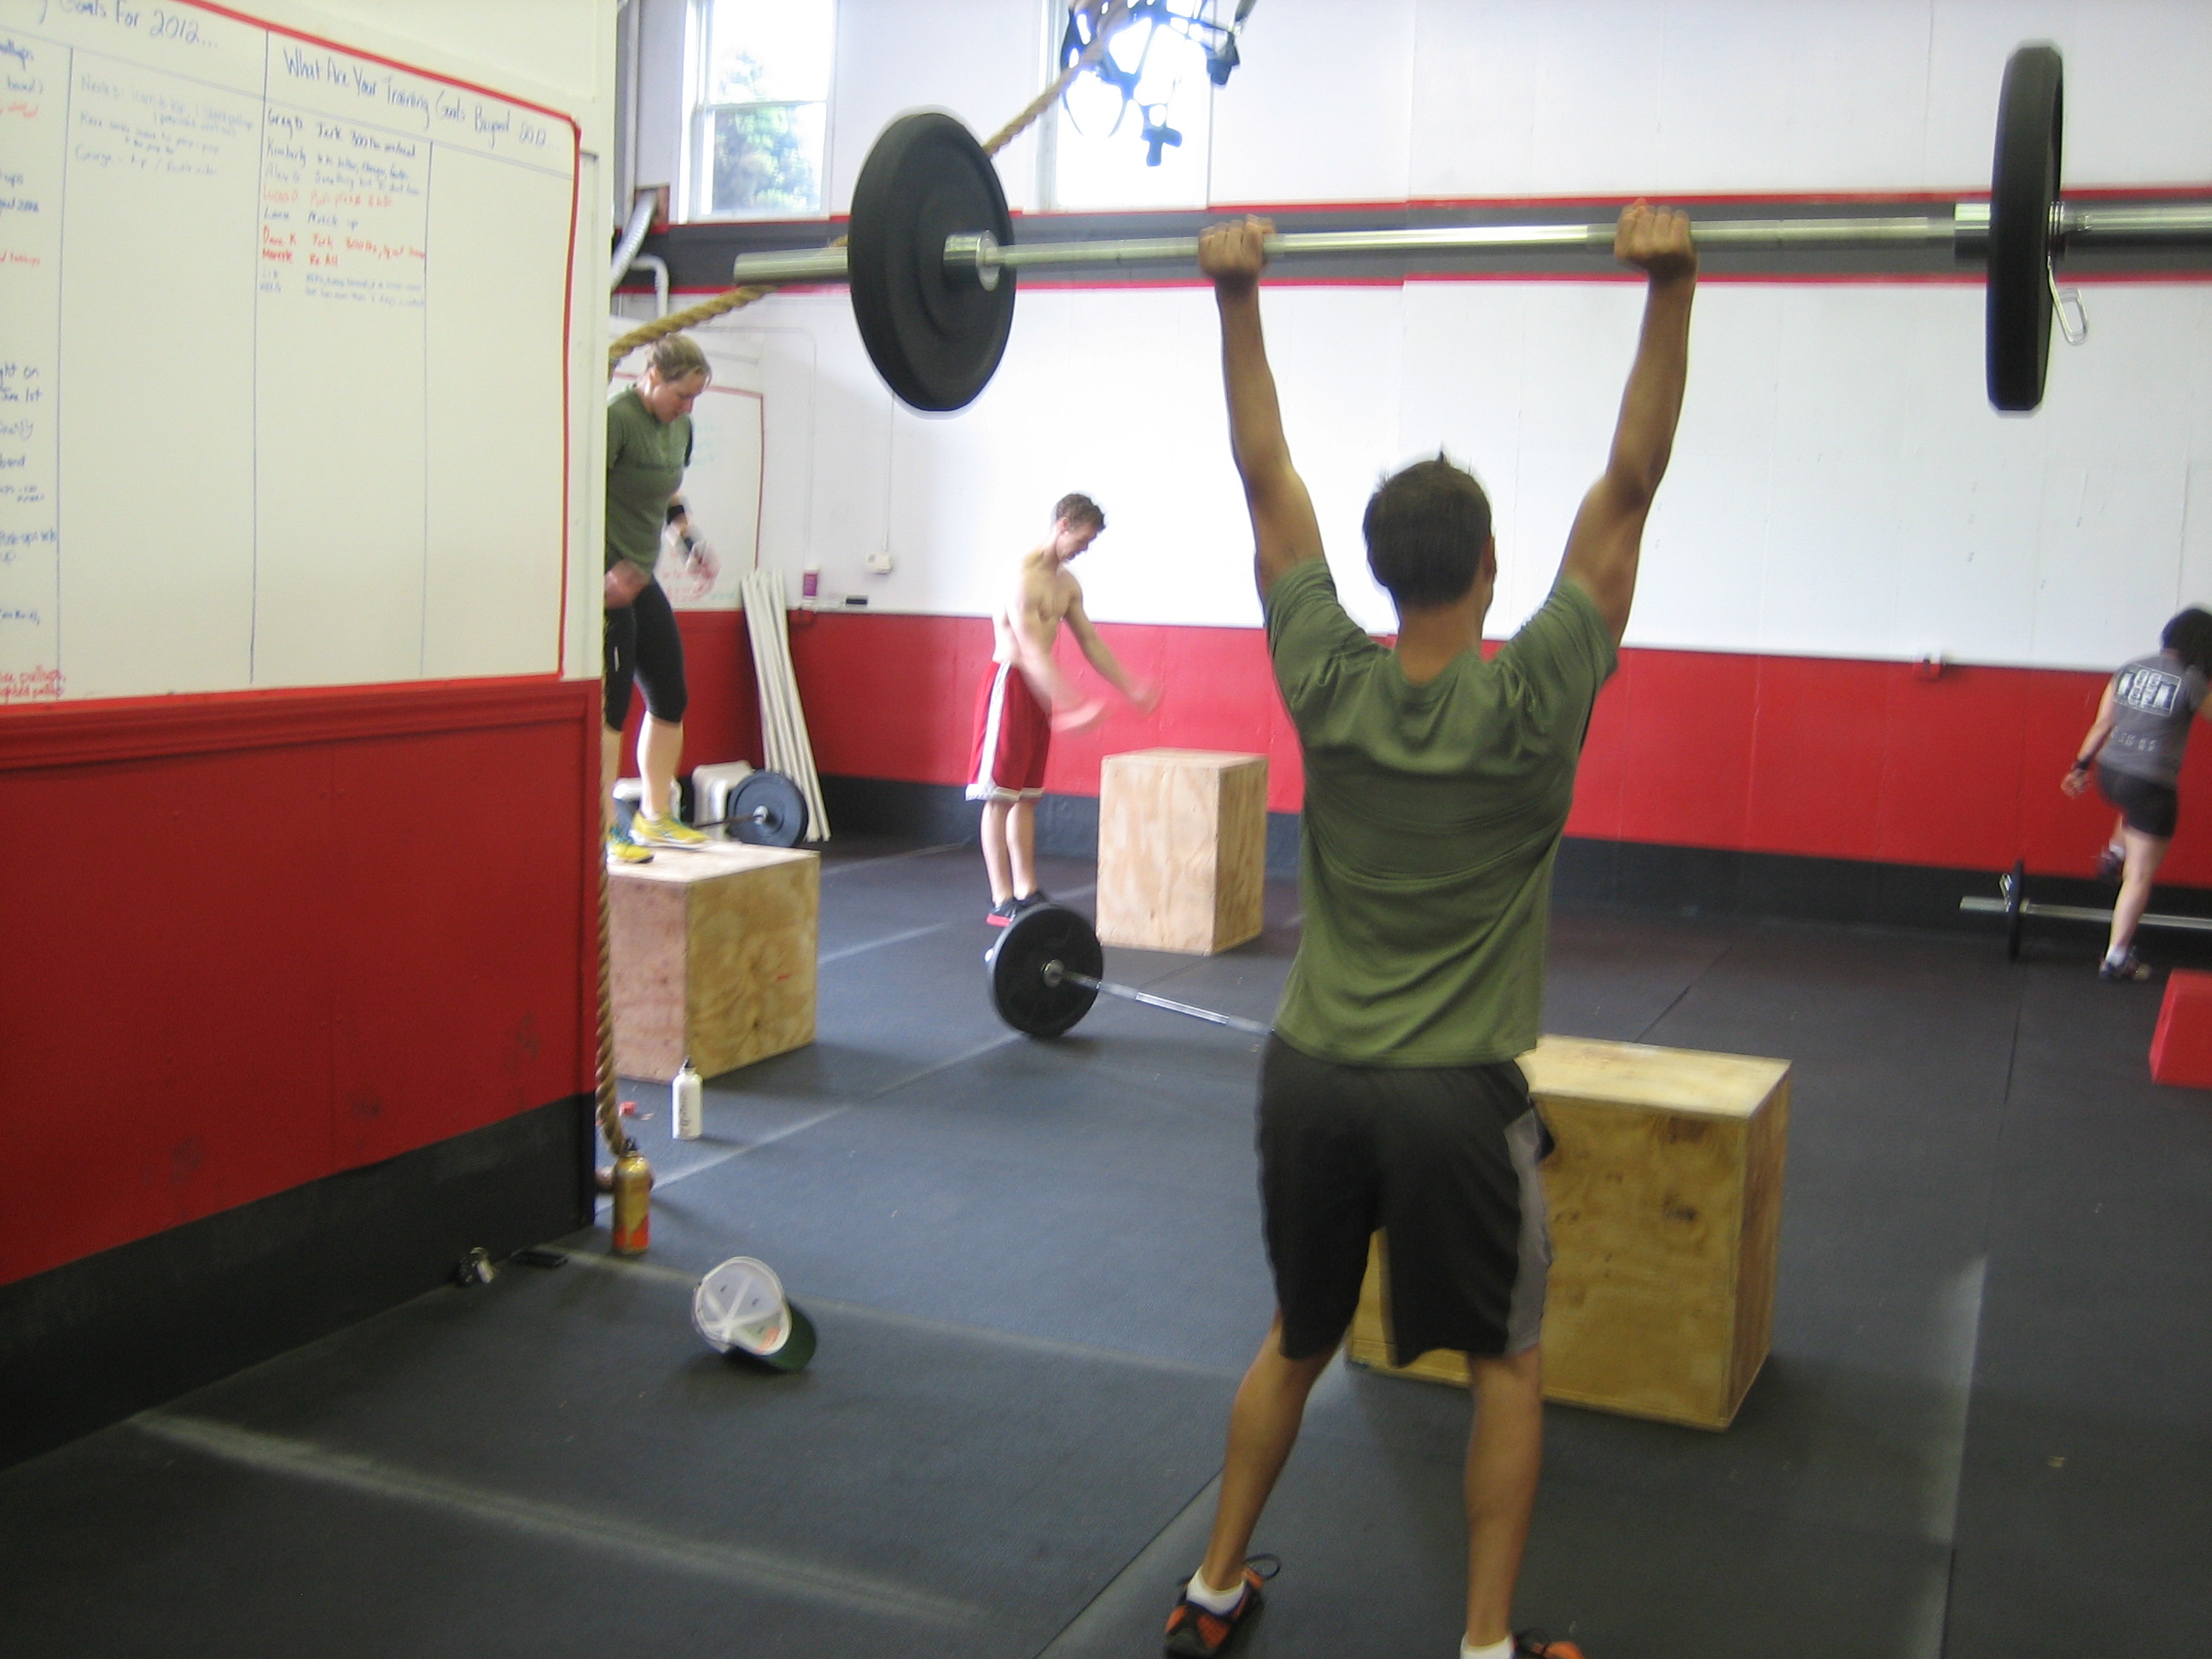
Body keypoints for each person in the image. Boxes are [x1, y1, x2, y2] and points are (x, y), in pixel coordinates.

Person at [1166, 205, 1695, 1659]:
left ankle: (1209, 1589)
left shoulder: (1326, 676)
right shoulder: (1536, 701)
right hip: (1455, 1096)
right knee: (1504, 1362)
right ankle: (1478, 1643)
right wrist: (1671, 282)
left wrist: (1236, 293)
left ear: (1381, 571)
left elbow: (1262, 470)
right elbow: (1632, 482)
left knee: (1297, 1332)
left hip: (1313, 1073)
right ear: (1486, 565)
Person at [967, 494, 1158, 925]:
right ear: (1064, 524)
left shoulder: (1066, 585)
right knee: (998, 797)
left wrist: (1131, 687)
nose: (1083, 550)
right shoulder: (1021, 580)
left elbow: (1090, 642)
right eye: (1083, 540)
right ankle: (1001, 899)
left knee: (1027, 798)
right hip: (1011, 685)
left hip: (1041, 692)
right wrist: (1074, 705)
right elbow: (1032, 653)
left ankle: (1026, 889)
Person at [605, 334, 719, 864]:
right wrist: (600, 575)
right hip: (604, 586)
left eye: (695, 398)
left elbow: (667, 493)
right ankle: (604, 827)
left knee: (670, 696)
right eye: (681, 396)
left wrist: (688, 542)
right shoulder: (616, 419)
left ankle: (657, 816)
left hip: (643, 576)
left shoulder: (681, 428)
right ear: (651, 378)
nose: (687, 408)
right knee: (610, 709)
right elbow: (577, 495)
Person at [2061, 607, 2212, 980]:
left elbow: (2103, 724)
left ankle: (2115, 850)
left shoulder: (2130, 668)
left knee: (2132, 809)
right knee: (2140, 875)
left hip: (2110, 775)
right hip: (2151, 785)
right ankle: (2116, 959)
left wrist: (2079, 767)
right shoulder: (2191, 682)